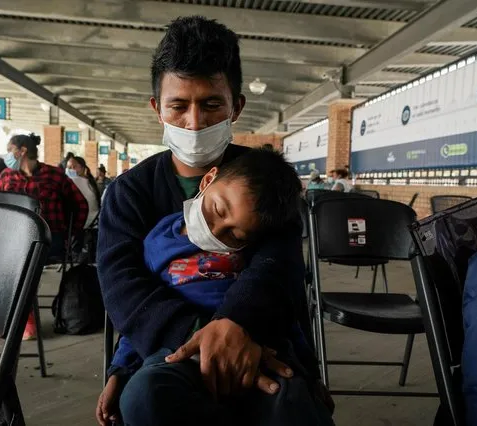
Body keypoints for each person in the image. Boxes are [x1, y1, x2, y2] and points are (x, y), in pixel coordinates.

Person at [97, 16, 332, 426]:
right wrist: (209, 340)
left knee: (291, 399)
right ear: (157, 108)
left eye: (211, 105)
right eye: (178, 106)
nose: (194, 122)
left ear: (235, 106)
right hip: (170, 348)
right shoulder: (128, 193)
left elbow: (278, 269)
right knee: (147, 399)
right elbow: (124, 289)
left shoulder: (265, 182)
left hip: (260, 340)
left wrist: (239, 328)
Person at [98, 149, 330, 426]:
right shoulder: (157, 240)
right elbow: (136, 312)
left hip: (256, 347)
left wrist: (311, 374)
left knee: (292, 400)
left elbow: (287, 312)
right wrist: (121, 370)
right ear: (208, 180)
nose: (216, 230)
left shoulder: (252, 252)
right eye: (218, 210)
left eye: (235, 234)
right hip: (176, 349)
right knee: (143, 395)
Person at [0, 133, 88, 342]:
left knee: (19, 261)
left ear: (22, 151)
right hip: (11, 238)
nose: (7, 155)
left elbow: (80, 205)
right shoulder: (6, 177)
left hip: (48, 239)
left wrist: (70, 233)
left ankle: (23, 316)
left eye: (10, 149)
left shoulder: (55, 176)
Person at [66, 156, 100, 228]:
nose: (69, 170)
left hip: (81, 224)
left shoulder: (75, 181)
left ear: (82, 168)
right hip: (93, 223)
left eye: (73, 167)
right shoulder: (90, 181)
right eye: (68, 167)